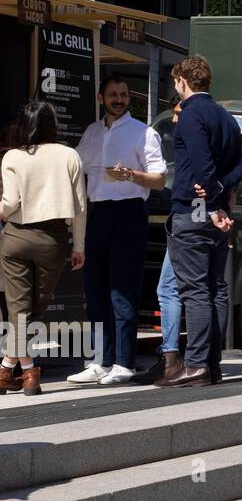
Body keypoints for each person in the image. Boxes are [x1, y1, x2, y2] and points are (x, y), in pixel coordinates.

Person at [67, 75, 166, 386]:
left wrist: (131, 175)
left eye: (123, 94)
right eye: (113, 94)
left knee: (122, 291)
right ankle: (99, 360)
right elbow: (76, 168)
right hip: (98, 212)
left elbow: (160, 179)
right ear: (101, 98)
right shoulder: (92, 132)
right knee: (95, 291)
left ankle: (125, 362)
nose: (119, 99)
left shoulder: (143, 133)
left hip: (129, 213)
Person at [159, 56, 242, 388]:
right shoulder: (225, 116)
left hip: (194, 209)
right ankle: (212, 364)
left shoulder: (190, 116)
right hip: (216, 210)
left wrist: (211, 202)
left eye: (175, 82)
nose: (175, 88)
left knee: (195, 289)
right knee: (216, 289)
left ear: (183, 80)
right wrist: (222, 195)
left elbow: (201, 164)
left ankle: (196, 364)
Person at [0, 102, 86, 396]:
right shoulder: (69, 155)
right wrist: (80, 246)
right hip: (53, 239)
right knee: (36, 307)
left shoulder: (13, 156)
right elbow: (79, 208)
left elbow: (9, 203)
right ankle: (28, 374)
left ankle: (8, 367)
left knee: (18, 310)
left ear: (23, 125)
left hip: (15, 236)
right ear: (53, 124)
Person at [134, 100, 185, 385]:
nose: (175, 120)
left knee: (168, 289)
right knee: (203, 291)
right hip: (194, 219)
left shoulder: (193, 136)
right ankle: (203, 359)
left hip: (187, 219)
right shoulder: (219, 129)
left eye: (179, 113)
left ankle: (171, 359)